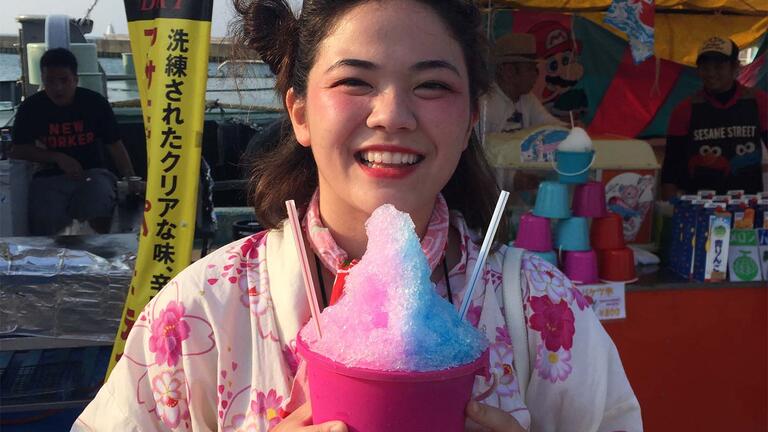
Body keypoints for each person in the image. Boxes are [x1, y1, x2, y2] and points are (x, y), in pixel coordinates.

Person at [73, 1, 641, 431]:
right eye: (353, 81)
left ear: (470, 120)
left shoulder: (542, 309)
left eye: (433, 85)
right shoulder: (199, 312)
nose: (392, 114)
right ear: (298, 113)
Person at [9, 47, 139, 235]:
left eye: (64, 80)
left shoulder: (95, 103)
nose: (57, 88)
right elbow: (18, 150)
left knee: (99, 196)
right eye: (50, 81)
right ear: (42, 80)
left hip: (93, 173)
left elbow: (114, 144)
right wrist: (56, 157)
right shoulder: (31, 108)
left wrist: (130, 177)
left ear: (75, 80)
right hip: (49, 176)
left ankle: (97, 248)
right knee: (47, 210)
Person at [661, 36, 767, 199]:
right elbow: (671, 166)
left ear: (735, 67)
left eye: (718, 67)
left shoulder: (759, 101)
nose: (711, 73)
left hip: (747, 208)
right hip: (698, 208)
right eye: (704, 67)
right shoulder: (684, 110)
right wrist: (669, 208)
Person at [484, 33, 563, 134]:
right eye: (530, 69)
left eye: (535, 69)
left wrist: (572, 129)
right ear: (509, 71)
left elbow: (549, 124)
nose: (535, 75)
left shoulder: (528, 99)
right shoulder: (485, 105)